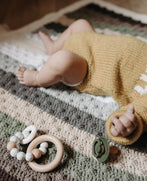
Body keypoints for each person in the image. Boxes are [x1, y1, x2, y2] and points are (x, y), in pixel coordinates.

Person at [16, 19, 147, 145]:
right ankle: (54, 47)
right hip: (91, 41)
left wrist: (124, 125)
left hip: (87, 69)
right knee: (80, 23)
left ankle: (38, 78)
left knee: (62, 60)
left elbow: (139, 116)